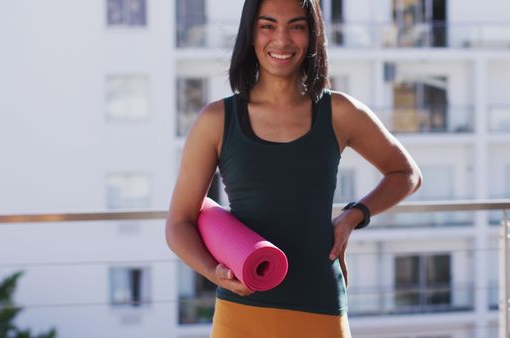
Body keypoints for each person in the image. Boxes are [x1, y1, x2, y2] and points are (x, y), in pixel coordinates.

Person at [165, 0, 422, 337]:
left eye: (296, 26)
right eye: (268, 25)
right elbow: (178, 223)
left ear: (313, 34)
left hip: (320, 309)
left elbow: (406, 173)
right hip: (241, 315)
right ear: (250, 34)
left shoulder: (340, 112)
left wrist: (353, 215)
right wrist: (214, 272)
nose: (282, 39)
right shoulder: (216, 121)